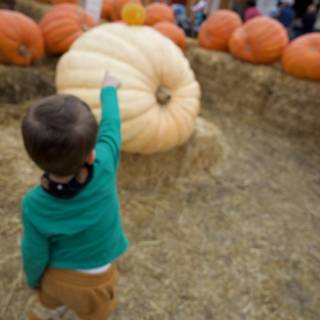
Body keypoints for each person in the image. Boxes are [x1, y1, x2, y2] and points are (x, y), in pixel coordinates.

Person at [21, 72, 129, 320]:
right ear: (90, 155)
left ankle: (52, 310)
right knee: (95, 314)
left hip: (57, 279)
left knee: (50, 301)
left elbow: (34, 252)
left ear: (34, 159)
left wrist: (34, 280)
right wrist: (108, 90)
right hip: (97, 282)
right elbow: (112, 126)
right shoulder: (104, 163)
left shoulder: (34, 204)